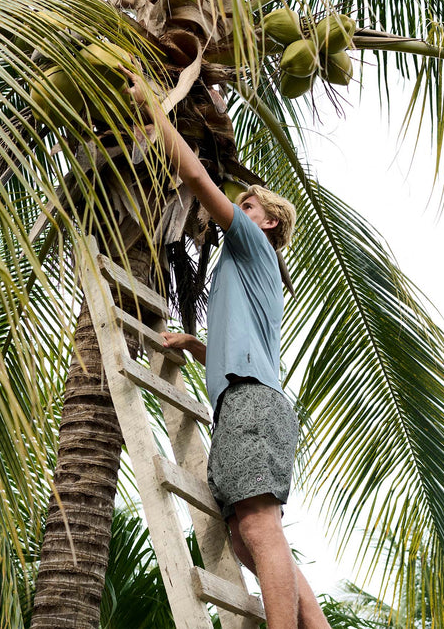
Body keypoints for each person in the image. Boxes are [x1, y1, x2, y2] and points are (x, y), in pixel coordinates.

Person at [123, 66, 331, 629]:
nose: (239, 211)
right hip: (249, 402)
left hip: (251, 405)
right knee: (245, 538)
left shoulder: (252, 247)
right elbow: (238, 347)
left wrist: (154, 108)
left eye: (250, 208)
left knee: (258, 529)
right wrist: (196, 346)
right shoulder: (249, 273)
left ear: (265, 225)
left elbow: (193, 176)